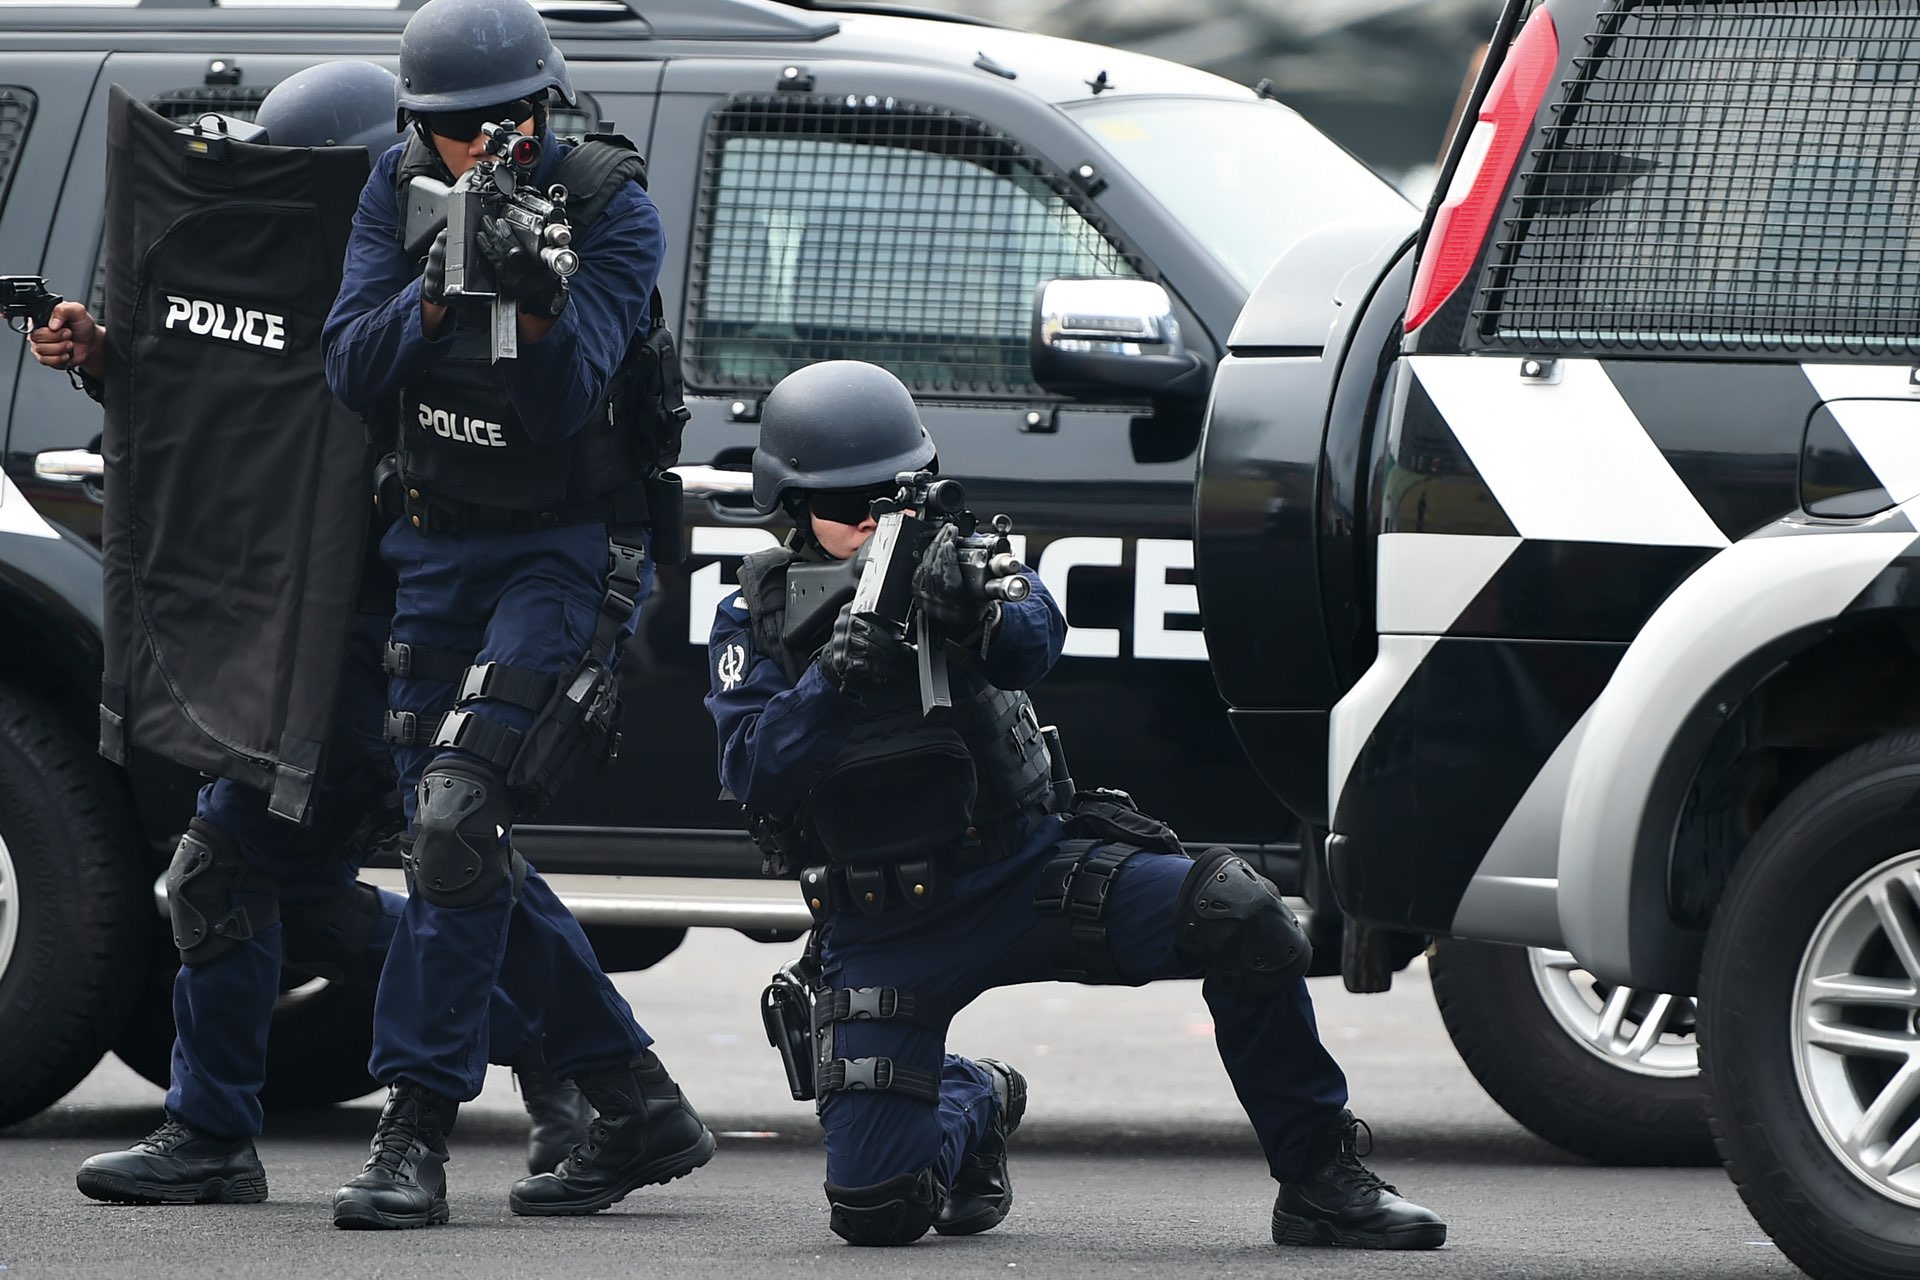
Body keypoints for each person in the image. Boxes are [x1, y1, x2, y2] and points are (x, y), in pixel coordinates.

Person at [706, 359, 1449, 1251]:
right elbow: (755, 771)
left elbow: (1036, 641)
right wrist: (832, 680)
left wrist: (980, 611)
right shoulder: (756, 618)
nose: (870, 524)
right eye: (844, 506)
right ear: (791, 507)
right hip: (886, 920)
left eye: (886, 500)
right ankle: (977, 1097)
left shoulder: (963, 560)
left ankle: (1320, 1178)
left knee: (1243, 915)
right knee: (877, 1211)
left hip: (1028, 871)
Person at [33, 59, 591, 1210]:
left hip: (391, 640)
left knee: (435, 857)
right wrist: (103, 358)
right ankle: (217, 1131)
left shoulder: (441, 285)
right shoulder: (306, 274)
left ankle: (571, 1062)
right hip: (301, 645)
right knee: (250, 874)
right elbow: (227, 401)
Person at [321, 0, 709, 1230]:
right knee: (451, 840)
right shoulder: (395, 188)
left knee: (456, 814)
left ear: (545, 107)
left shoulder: (607, 204)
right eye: (452, 129)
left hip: (564, 546)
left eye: (504, 123)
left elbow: (559, 404)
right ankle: (636, 1099)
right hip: (435, 543)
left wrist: (535, 297)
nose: (481, 148)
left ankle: (414, 1130)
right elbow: (348, 365)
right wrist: (440, 292)